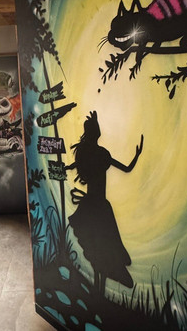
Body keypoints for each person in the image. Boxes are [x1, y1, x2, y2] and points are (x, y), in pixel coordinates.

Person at [66, 111, 143, 294]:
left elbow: (78, 165)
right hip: (100, 206)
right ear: (97, 132)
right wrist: (137, 155)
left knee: (95, 247)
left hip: (88, 205)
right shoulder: (102, 154)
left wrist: (69, 166)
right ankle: (99, 291)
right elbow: (126, 168)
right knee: (105, 246)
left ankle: (97, 289)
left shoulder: (84, 153)